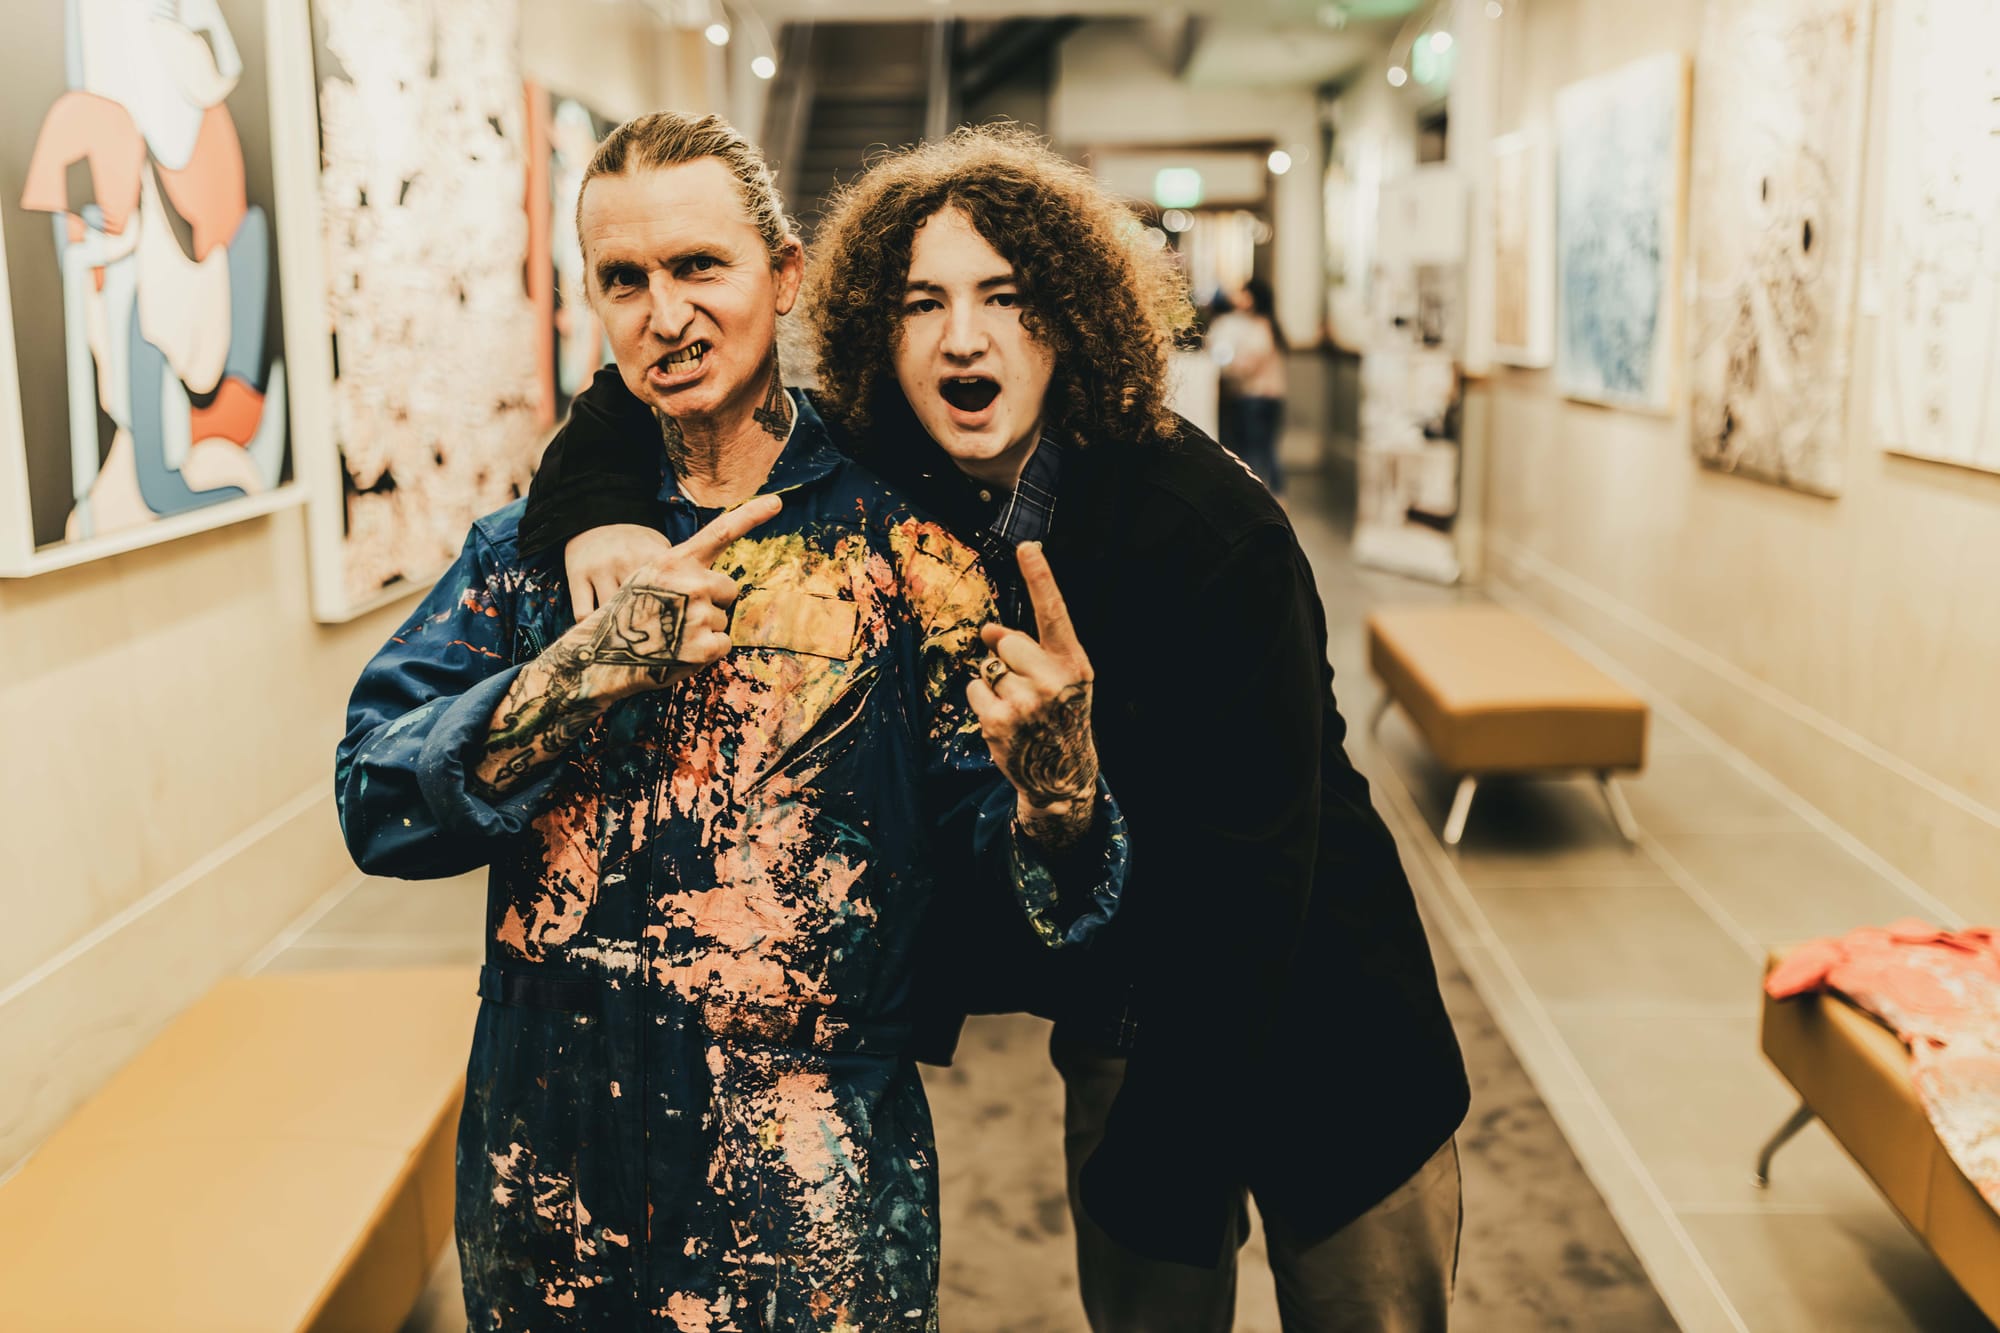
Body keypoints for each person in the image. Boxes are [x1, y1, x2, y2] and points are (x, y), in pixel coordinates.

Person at [520, 125, 1469, 1333]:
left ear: (1065, 318)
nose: (962, 338)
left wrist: (1167, 1160)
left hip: (1322, 1018)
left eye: (1004, 297)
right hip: (1125, 1016)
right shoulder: (894, 473)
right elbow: (639, 390)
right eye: (922, 303)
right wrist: (595, 510)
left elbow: (1259, 869)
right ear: (878, 331)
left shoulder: (1206, 525)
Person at [335, 112, 1129, 1331]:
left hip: (809, 1203)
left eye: (699, 266)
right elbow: (374, 799)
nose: (666, 314)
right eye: (625, 279)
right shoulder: (533, 558)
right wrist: (575, 675)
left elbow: (1023, 899)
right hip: (554, 1187)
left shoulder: (906, 549)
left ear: (784, 273)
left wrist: (1058, 796)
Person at [1209, 278, 1289, 493]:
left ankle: (1260, 494)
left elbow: (1249, 363)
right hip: (1270, 397)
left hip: (1256, 397)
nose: (1238, 299)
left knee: (1254, 451)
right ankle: (1275, 494)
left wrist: (1228, 370)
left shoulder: (1259, 327)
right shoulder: (1269, 325)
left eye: (1244, 293)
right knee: (1266, 449)